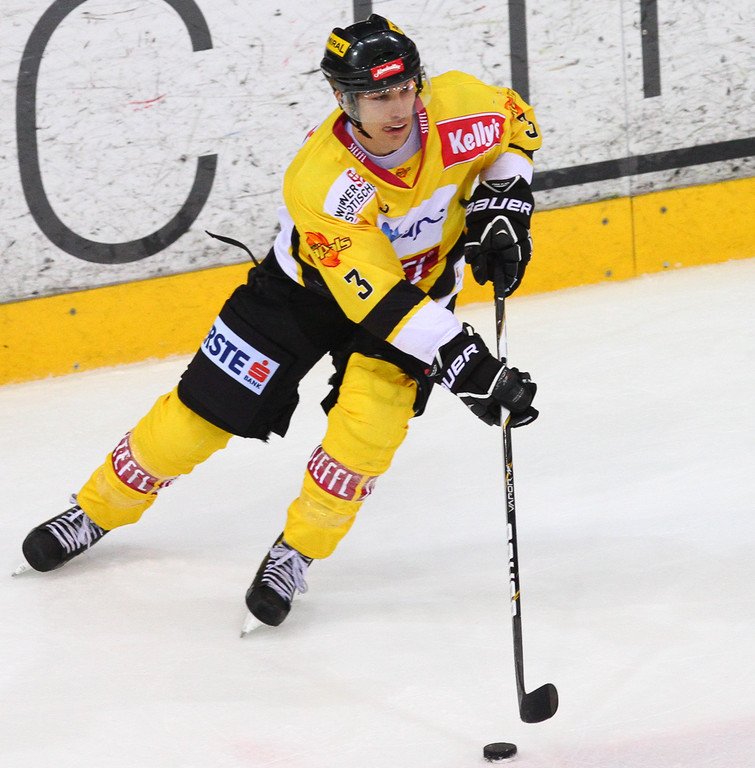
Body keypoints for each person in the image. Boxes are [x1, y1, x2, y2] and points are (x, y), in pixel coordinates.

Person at [20, 15, 542, 628]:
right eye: (377, 96)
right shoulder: (323, 181)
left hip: (419, 292)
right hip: (303, 294)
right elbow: (376, 300)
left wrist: (504, 203)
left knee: (367, 433)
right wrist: (465, 363)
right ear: (342, 97)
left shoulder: (459, 107)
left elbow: (517, 128)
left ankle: (296, 552)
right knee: (200, 415)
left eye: (405, 88)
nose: (398, 108)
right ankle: (95, 510)